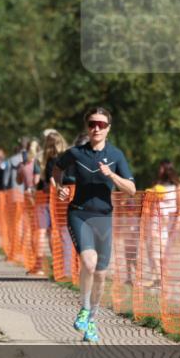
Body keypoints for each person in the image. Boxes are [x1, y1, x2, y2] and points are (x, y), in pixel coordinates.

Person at [50, 107, 136, 343]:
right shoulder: (76, 153)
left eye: (100, 124)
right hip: (79, 214)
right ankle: (85, 308)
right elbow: (57, 168)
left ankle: (92, 321)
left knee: (101, 273)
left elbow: (131, 190)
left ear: (108, 128)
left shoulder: (116, 155)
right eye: (91, 124)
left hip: (104, 218)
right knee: (89, 263)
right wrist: (59, 188)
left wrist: (112, 176)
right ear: (87, 127)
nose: (95, 128)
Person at [146, 160, 180, 290]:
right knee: (153, 249)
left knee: (164, 252)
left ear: (168, 170)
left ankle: (161, 279)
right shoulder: (157, 185)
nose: (160, 171)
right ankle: (157, 278)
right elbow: (151, 203)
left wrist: (178, 222)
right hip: (155, 220)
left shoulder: (177, 187)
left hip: (169, 224)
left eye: (162, 168)